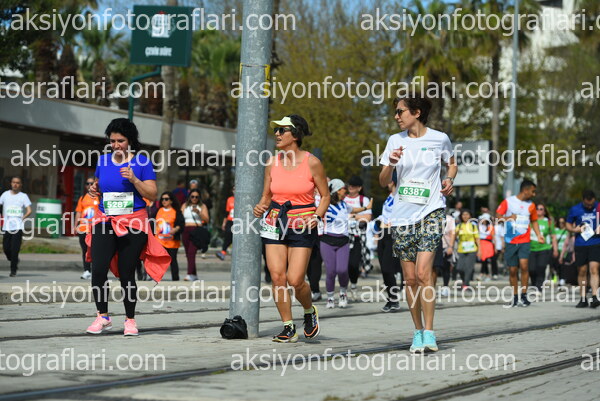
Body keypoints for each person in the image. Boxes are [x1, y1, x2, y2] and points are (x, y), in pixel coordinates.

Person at [379, 94, 457, 353]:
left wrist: (449, 179)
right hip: (403, 216)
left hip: (432, 211)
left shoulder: (439, 138)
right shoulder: (395, 141)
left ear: (417, 112)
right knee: (410, 279)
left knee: (424, 273)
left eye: (400, 111)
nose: (396, 116)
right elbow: (383, 181)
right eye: (396, 112)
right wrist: (390, 164)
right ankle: (418, 331)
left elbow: (452, 163)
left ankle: (430, 332)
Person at [85, 118, 170, 336]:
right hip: (105, 220)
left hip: (133, 222)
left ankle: (130, 320)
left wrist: (134, 179)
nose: (116, 145)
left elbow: (152, 194)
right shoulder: (103, 161)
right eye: (112, 141)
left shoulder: (142, 163)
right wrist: (94, 190)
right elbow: (100, 185)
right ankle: (102, 316)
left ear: (130, 140)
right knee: (98, 269)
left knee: (126, 273)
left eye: (120, 141)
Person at [253, 114, 329, 343]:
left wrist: (317, 216)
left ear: (295, 134)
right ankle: (288, 327)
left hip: (302, 224)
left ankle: (309, 310)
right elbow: (267, 196)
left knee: (295, 280)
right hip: (275, 223)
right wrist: (260, 206)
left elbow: (325, 196)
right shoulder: (272, 162)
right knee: (277, 277)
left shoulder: (312, 162)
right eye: (276, 130)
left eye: (282, 130)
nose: (277, 134)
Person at [496, 180, 545, 307]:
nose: (534, 194)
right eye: (533, 191)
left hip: (524, 240)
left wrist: (539, 235)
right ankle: (515, 296)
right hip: (510, 241)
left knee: (524, 266)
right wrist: (508, 218)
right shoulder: (508, 202)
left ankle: (523, 295)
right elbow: (497, 217)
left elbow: (534, 221)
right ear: (525, 190)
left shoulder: (531, 205)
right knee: (513, 270)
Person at [321, 179, 366, 309]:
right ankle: (330, 297)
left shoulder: (344, 204)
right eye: (343, 189)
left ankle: (342, 294)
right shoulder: (325, 203)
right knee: (330, 272)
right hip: (327, 240)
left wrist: (366, 208)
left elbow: (354, 210)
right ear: (336, 190)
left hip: (343, 241)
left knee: (342, 270)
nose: (345, 192)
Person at [566, 190, 600, 308]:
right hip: (581, 243)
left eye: (591, 204)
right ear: (583, 200)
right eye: (587, 204)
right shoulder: (575, 209)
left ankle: (595, 296)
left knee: (594, 269)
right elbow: (568, 224)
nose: (589, 206)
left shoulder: (599, 207)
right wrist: (574, 230)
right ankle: (583, 298)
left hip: (596, 242)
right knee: (582, 271)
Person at [377, 178, 403, 312]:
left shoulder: (400, 196)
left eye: (388, 181)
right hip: (383, 233)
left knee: (388, 268)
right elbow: (385, 214)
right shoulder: (389, 196)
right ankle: (391, 298)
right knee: (384, 269)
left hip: (393, 234)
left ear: (392, 182)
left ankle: (394, 298)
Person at [345, 175, 373, 299]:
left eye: (354, 185)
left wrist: (353, 216)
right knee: (343, 265)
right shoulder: (343, 198)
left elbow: (368, 217)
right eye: (349, 185)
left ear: (359, 188)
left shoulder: (364, 200)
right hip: (343, 235)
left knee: (354, 264)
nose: (351, 187)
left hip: (357, 236)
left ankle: (354, 285)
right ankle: (343, 289)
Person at [0, 176, 32, 277]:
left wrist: (23, 218)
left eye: (17, 183)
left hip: (18, 226)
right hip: (7, 226)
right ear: (11, 183)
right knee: (6, 248)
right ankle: (14, 260)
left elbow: (29, 210)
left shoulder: (23, 196)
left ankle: (13, 270)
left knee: (15, 249)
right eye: (13, 182)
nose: (15, 184)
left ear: (20, 185)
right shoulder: (5, 195)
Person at [181, 189, 209, 281]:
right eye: (192, 196)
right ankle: (194, 274)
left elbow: (207, 220)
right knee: (188, 253)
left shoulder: (202, 206)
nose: (194, 198)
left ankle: (189, 274)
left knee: (191, 252)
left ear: (199, 198)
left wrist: (199, 213)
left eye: (196, 197)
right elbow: (180, 217)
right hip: (186, 229)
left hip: (196, 230)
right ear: (189, 197)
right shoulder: (185, 205)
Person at [528, 203, 557, 291]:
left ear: (544, 211)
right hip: (531, 248)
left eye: (541, 209)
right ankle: (534, 284)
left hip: (544, 248)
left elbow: (553, 236)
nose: (539, 210)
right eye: (537, 209)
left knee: (541, 267)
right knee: (532, 269)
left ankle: (539, 287)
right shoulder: (530, 221)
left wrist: (555, 249)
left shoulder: (548, 222)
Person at [156, 191, 184, 281]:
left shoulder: (176, 211)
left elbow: (181, 223)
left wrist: (175, 229)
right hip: (159, 240)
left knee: (173, 260)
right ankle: (156, 277)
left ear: (171, 201)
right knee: (158, 260)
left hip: (172, 241)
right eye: (162, 199)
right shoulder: (159, 210)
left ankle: (175, 279)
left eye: (166, 199)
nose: (164, 201)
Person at [74, 178, 100, 279]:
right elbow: (78, 213)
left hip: (95, 229)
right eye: (87, 183)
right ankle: (87, 270)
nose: (89, 185)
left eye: (91, 183)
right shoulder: (82, 198)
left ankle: (96, 271)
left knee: (95, 250)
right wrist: (75, 226)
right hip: (83, 228)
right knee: (85, 250)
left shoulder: (99, 197)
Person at [451, 209, 481, 290]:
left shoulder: (473, 226)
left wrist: (479, 250)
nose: (465, 216)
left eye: (467, 214)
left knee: (469, 268)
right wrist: (451, 246)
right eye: (463, 215)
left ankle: (466, 284)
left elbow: (477, 238)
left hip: (472, 250)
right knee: (459, 268)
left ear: (470, 216)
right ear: (461, 216)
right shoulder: (459, 226)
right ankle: (464, 281)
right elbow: (454, 236)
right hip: (461, 249)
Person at [433, 211, 455, 296]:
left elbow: (452, 233)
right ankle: (431, 288)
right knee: (434, 268)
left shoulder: (449, 219)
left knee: (446, 267)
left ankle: (445, 287)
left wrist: (451, 246)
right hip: (434, 246)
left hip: (446, 246)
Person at [216, 186, 235, 261]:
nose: (235, 191)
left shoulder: (242, 199)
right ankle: (223, 252)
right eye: (233, 189)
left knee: (235, 237)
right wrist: (224, 223)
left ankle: (234, 253)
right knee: (228, 236)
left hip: (238, 221)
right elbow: (227, 213)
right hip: (230, 221)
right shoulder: (229, 199)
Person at [553, 216, 572, 287]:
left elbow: (568, 243)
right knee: (556, 265)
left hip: (565, 251)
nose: (561, 224)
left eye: (563, 222)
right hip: (557, 251)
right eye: (560, 222)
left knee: (563, 266)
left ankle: (563, 279)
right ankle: (558, 277)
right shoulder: (555, 230)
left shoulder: (567, 231)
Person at [478, 212, 497, 281]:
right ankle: (486, 274)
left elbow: (493, 237)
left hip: (488, 244)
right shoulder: (479, 227)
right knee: (483, 259)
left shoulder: (490, 227)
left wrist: (495, 246)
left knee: (488, 259)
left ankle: (484, 274)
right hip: (481, 243)